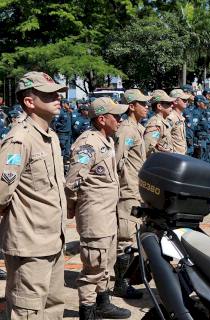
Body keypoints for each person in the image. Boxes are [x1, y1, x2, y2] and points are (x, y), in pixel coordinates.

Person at [0, 71, 67, 319]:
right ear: (30, 101)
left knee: (52, 308)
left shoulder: (50, 137)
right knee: (27, 311)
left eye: (57, 93)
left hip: (53, 240)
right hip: (30, 246)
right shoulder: (20, 139)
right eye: (49, 95)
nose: (57, 98)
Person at [65, 97, 131, 319]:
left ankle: (103, 302)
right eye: (117, 116)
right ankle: (87, 310)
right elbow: (73, 181)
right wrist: (73, 209)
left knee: (106, 262)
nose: (120, 120)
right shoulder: (88, 143)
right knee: (93, 266)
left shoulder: (106, 140)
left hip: (107, 214)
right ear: (102, 119)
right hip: (95, 215)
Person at [113, 89, 150, 299]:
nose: (146, 107)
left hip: (137, 188)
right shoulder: (126, 130)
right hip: (127, 190)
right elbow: (118, 161)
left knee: (133, 236)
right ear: (131, 106)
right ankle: (121, 283)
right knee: (125, 239)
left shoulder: (137, 128)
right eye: (142, 103)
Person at [143, 90, 175, 156]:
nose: (172, 105)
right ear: (159, 106)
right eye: (168, 103)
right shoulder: (155, 124)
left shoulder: (163, 121)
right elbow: (148, 149)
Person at [168, 89, 190, 155]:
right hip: (174, 156)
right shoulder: (171, 117)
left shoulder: (180, 117)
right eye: (184, 100)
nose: (186, 102)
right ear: (175, 101)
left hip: (182, 154)